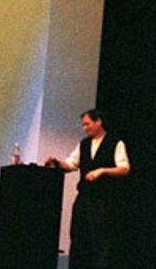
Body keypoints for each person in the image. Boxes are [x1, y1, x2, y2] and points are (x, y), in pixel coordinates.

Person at [45, 109, 130, 269]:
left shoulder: (115, 142)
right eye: (83, 125)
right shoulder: (84, 144)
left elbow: (124, 168)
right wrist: (57, 162)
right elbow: (71, 164)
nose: (85, 128)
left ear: (99, 122)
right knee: (79, 239)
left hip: (103, 201)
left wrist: (103, 170)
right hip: (84, 199)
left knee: (100, 242)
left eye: (87, 124)